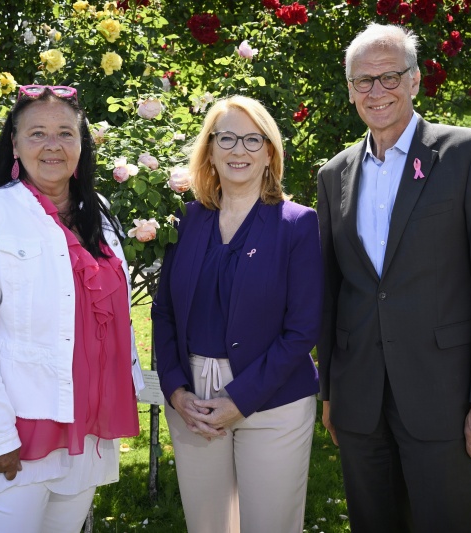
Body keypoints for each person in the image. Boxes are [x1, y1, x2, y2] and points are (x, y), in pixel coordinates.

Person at [317, 23, 471, 532]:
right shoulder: (333, 174)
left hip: (443, 396)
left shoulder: (468, 154)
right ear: (349, 90)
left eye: (390, 77)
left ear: (415, 80)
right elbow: (332, 288)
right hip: (359, 396)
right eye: (364, 81)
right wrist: (329, 392)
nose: (377, 91)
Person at [0, 85, 144, 533]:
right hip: (19, 429)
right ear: (15, 143)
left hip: (85, 428)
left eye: (65, 133)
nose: (52, 145)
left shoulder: (98, 215)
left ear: (81, 144)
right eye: (37, 133)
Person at [152, 95, 323, 533]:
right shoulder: (184, 221)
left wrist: (239, 399)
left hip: (274, 400)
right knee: (207, 527)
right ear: (209, 150)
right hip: (193, 402)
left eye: (252, 139)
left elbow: (303, 329)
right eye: (226, 138)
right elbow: (164, 312)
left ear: (270, 153)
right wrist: (174, 390)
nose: (238, 150)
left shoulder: (297, 224)